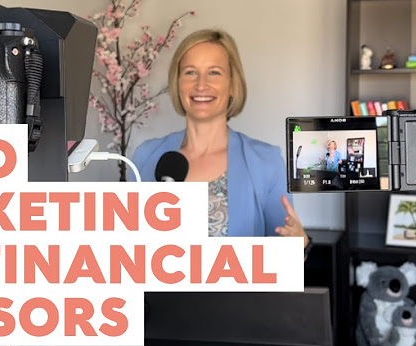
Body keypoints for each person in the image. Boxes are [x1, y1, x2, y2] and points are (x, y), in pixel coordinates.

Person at [129, 29, 309, 248]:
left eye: (214, 72)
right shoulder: (145, 157)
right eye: (190, 72)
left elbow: (284, 257)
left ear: (233, 84)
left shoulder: (266, 162)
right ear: (177, 83)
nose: (201, 84)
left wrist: (300, 246)